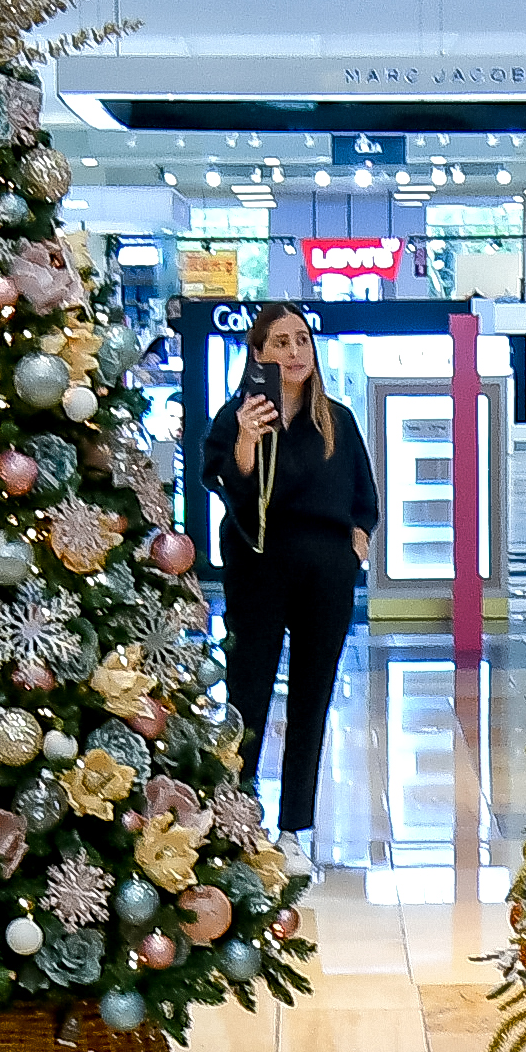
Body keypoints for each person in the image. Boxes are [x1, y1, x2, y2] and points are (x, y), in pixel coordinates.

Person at [204, 302, 375, 863]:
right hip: (258, 569)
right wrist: (247, 444)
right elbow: (229, 489)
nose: (294, 353)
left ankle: (294, 827)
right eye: (280, 342)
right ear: (257, 354)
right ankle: (235, 812)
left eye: (301, 340)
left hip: (325, 574)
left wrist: (355, 544)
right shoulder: (237, 418)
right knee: (248, 690)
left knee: (312, 696)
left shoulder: (338, 421)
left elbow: (363, 498)